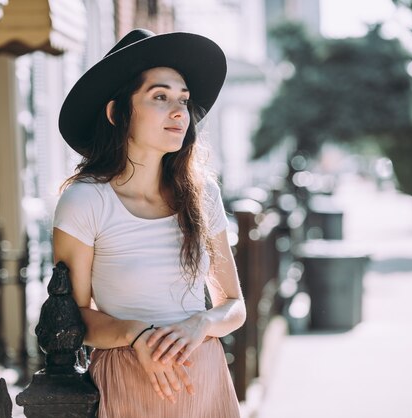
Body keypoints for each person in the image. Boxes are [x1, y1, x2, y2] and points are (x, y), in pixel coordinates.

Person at [53, 28, 246, 417]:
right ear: (116, 113)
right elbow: (70, 320)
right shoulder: (86, 200)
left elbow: (235, 306)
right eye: (160, 97)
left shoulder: (202, 192)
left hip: (205, 381)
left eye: (183, 100)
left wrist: (201, 323)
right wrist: (135, 333)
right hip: (128, 381)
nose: (179, 112)